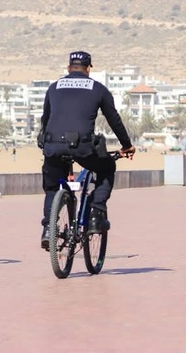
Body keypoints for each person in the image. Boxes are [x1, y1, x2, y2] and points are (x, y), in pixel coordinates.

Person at [38, 51, 135, 250]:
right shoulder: (98, 89)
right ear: (89, 68)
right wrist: (127, 145)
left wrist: (45, 144)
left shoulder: (54, 87)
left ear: (68, 68)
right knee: (106, 168)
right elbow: (114, 120)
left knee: (51, 188)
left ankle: (49, 228)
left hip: (53, 145)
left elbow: (45, 119)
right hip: (82, 147)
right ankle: (96, 215)